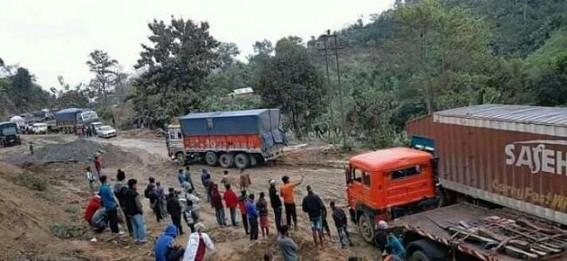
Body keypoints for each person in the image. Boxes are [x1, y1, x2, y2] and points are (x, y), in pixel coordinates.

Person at [124, 178, 147, 243]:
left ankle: (136, 238)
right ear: (133, 185)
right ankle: (142, 238)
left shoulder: (126, 193)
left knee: (134, 226)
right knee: (140, 225)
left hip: (129, 212)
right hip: (136, 212)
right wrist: (141, 210)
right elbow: (138, 204)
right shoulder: (135, 194)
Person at [114, 169, 133, 237]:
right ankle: (132, 231)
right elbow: (127, 195)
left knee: (127, 217)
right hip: (126, 203)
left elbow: (116, 194)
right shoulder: (123, 186)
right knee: (130, 217)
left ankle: (130, 231)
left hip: (121, 203)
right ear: (124, 177)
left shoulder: (116, 185)